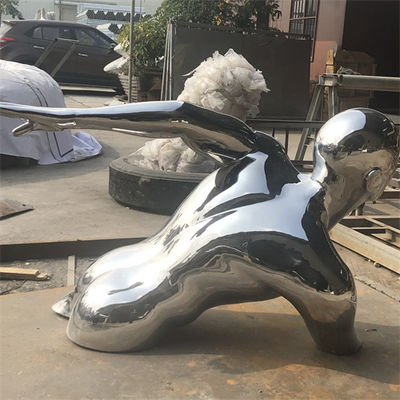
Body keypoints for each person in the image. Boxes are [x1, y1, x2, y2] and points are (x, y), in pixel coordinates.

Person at [0, 101, 398, 354]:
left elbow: (183, 115)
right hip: (118, 316)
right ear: (376, 180)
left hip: (108, 268)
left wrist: (69, 117)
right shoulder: (318, 264)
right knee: (124, 301)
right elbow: (338, 339)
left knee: (148, 265)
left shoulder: (263, 156)